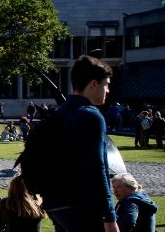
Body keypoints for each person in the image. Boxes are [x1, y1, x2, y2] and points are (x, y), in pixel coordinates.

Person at [42, 55, 118, 232]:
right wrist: (109, 216)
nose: (107, 91)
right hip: (80, 205)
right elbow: (96, 168)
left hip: (55, 202)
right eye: (105, 85)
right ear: (93, 84)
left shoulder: (60, 113)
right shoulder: (90, 115)